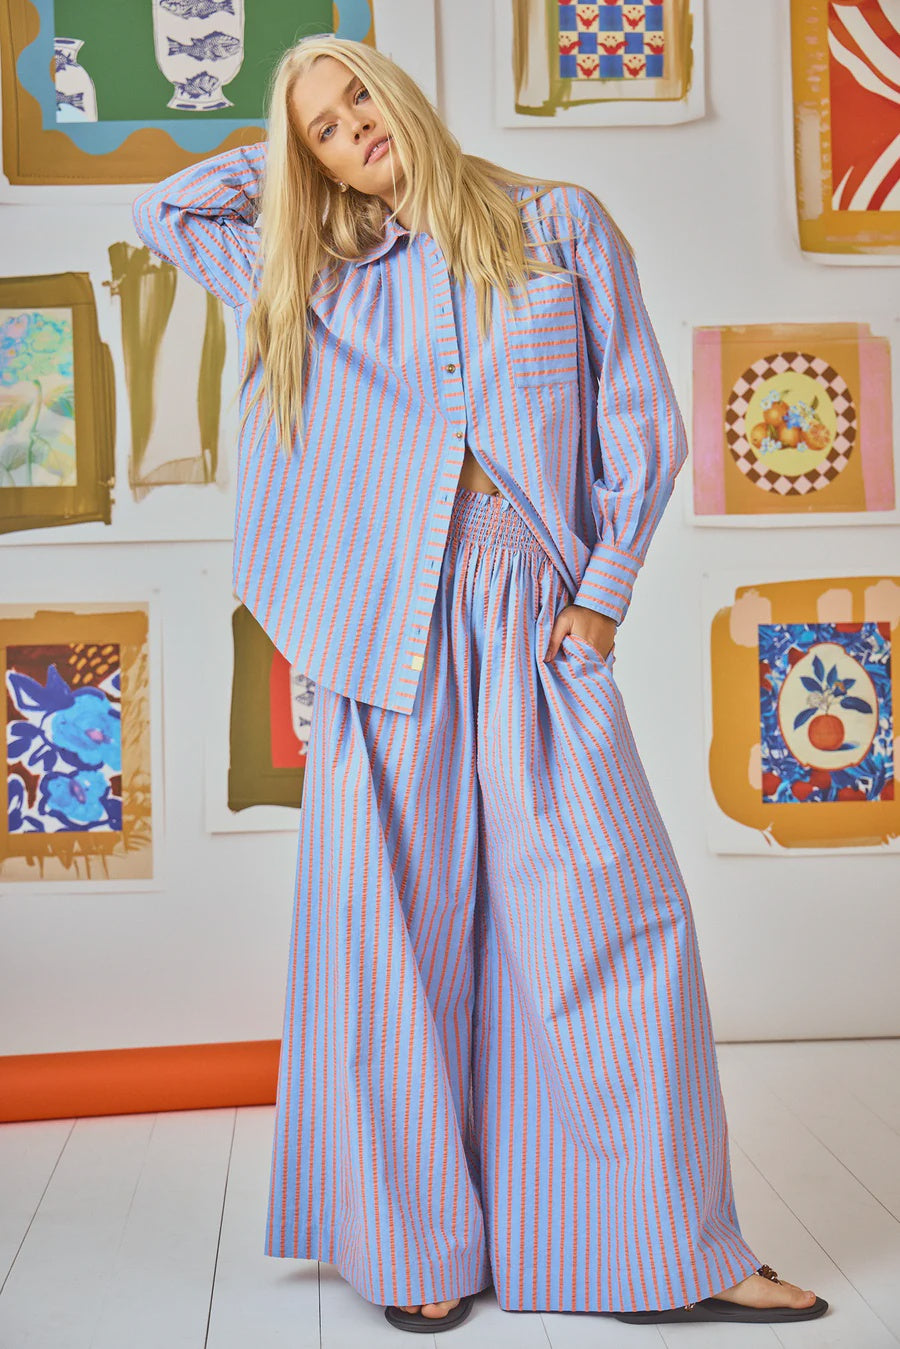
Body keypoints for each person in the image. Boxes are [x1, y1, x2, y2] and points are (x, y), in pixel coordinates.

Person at [132, 33, 828, 1335]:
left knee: (613, 923)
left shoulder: (556, 228)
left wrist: (601, 602)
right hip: (379, 634)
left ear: (400, 94)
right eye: (325, 129)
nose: (352, 132)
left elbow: (640, 426)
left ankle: (682, 1246)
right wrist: (285, 153)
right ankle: (417, 1247)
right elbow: (162, 209)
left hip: (532, 624)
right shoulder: (324, 270)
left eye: (356, 102)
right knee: (388, 942)